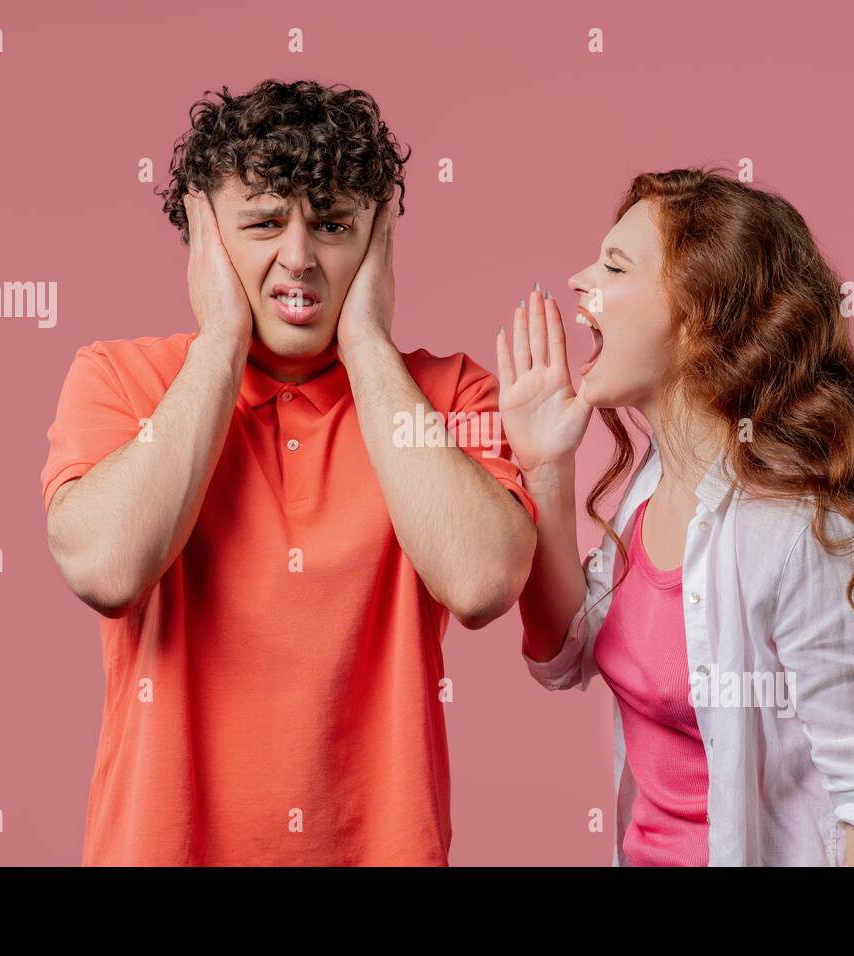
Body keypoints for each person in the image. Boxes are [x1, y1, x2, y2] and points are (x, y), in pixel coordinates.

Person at [39, 79, 537, 865]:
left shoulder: (450, 395)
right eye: (264, 223)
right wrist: (220, 343)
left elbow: (481, 584)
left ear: (378, 241)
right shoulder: (119, 379)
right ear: (205, 236)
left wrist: (369, 345)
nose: (299, 257)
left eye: (334, 225)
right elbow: (106, 568)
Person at [498, 167, 854, 866]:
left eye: (614, 265)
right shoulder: (651, 488)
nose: (579, 280)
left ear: (700, 319)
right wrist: (546, 469)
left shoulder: (805, 539)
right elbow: (561, 655)